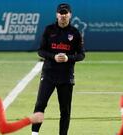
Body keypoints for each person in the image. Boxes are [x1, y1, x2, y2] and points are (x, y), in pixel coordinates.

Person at [31, 3, 85, 135]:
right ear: (57, 15)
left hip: (66, 77)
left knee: (65, 110)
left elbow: (81, 55)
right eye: (61, 13)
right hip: (49, 74)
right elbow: (41, 51)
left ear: (70, 15)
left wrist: (68, 58)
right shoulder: (49, 30)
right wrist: (53, 57)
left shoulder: (75, 33)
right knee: (40, 104)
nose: (63, 15)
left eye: (66, 13)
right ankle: (34, 133)